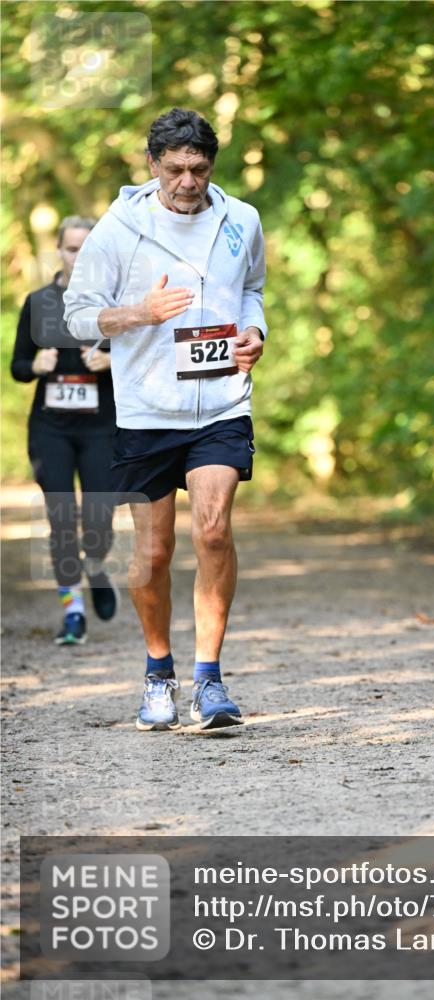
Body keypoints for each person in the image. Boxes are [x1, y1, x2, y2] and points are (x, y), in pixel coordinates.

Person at [63, 108, 267, 733]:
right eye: (175, 168)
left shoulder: (242, 219)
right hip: (146, 409)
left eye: (198, 169)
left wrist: (255, 331)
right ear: (152, 164)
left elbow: (253, 288)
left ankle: (210, 679)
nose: (187, 182)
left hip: (222, 403)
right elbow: (77, 315)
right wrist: (140, 313)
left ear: (212, 165)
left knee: (214, 531)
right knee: (153, 553)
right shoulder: (117, 230)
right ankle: (158, 672)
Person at [11, 216, 119, 645]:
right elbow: (18, 365)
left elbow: (142, 360)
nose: (80, 257)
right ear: (59, 251)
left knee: (98, 521)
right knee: (60, 520)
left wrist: (111, 362)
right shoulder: (39, 302)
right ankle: (73, 611)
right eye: (73, 249)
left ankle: (95, 565)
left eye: (88, 249)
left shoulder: (113, 302)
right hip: (50, 430)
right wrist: (35, 365)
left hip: (101, 429)